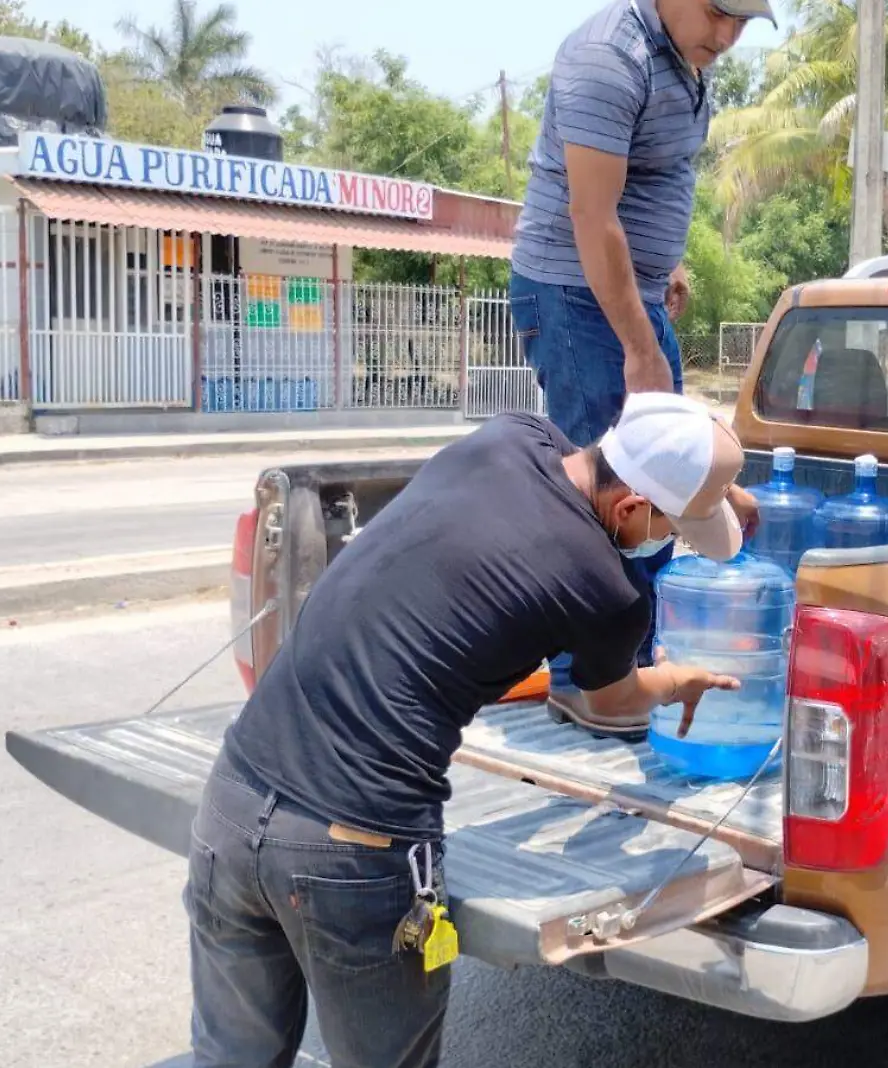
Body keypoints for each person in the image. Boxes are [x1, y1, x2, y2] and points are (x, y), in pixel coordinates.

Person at [184, 394, 748, 1068]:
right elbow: (614, 702)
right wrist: (680, 679)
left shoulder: (512, 436)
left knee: (228, 1059)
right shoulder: (608, 592)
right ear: (630, 510)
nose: (670, 541)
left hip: (234, 795)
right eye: (675, 527)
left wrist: (712, 486)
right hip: (355, 846)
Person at [509, 0, 774, 728]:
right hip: (574, 295)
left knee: (667, 483)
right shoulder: (609, 57)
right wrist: (637, 340)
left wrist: (661, 270)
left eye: (745, 23)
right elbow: (591, 217)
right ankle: (587, 682)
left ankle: (629, 667)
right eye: (721, 13)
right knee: (619, 495)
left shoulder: (685, 62)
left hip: (626, 293)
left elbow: (649, 182)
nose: (728, 36)